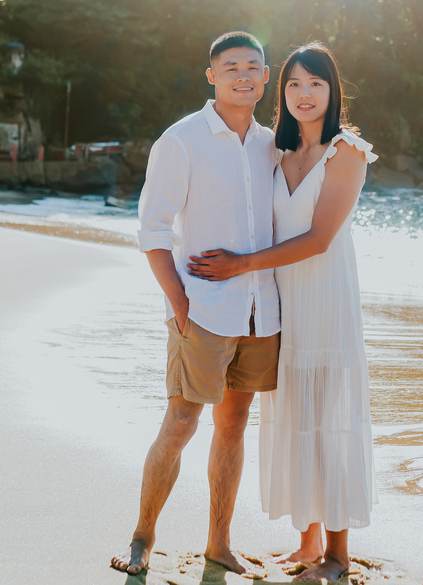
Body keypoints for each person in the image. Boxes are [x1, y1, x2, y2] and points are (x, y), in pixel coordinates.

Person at [188, 42, 377, 583]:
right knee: (296, 415)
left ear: (332, 90)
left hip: (327, 303)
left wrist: (241, 264)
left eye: (315, 83)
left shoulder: (348, 152)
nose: (304, 94)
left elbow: (319, 239)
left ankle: (338, 556)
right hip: (280, 306)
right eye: (294, 84)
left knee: (330, 419)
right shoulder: (278, 152)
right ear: (282, 91)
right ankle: (307, 541)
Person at [111, 31, 281, 577]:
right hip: (202, 310)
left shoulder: (270, 144)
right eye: (231, 67)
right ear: (211, 75)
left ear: (265, 75)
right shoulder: (181, 140)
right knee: (181, 423)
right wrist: (179, 303)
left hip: (261, 312)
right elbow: (153, 230)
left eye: (253, 66)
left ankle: (218, 542)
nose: (243, 75)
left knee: (233, 428)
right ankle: (142, 537)